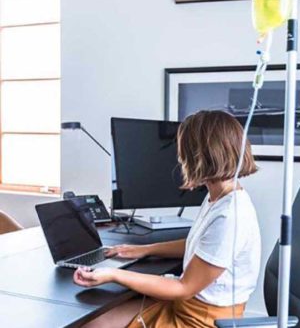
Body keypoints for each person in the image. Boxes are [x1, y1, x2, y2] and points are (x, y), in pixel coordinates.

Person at [73, 110, 261, 328]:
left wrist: (113, 274)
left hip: (201, 320)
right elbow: (200, 246)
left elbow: (184, 287)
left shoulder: (230, 216)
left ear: (199, 155)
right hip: (187, 305)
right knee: (92, 321)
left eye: (183, 151)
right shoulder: (219, 197)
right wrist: (146, 249)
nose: (179, 158)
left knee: (91, 324)